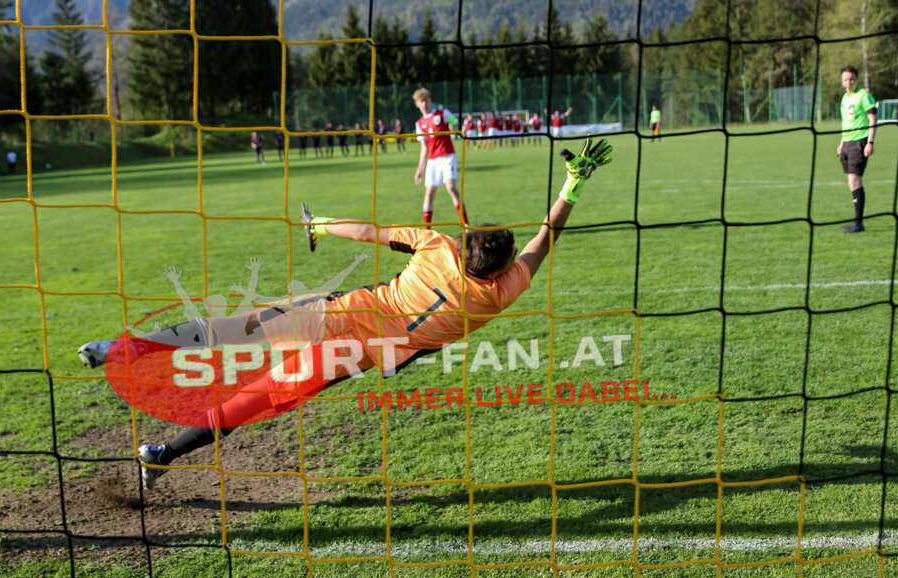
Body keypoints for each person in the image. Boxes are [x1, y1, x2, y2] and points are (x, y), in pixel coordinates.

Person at [76, 138, 614, 491]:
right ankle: (161, 454)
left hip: (338, 314)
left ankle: (122, 349)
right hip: (355, 355)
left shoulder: (435, 245)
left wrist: (322, 224)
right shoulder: (498, 295)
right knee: (252, 401)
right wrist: (573, 187)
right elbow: (543, 243)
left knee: (238, 328)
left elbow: (370, 232)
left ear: (466, 243)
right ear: (498, 270)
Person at [413, 88, 467, 228]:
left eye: (426, 100)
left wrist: (458, 126)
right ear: (417, 104)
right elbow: (424, 148)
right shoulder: (419, 124)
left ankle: (466, 226)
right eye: (421, 101)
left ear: (430, 100)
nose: (424, 104)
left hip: (447, 156)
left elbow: (455, 122)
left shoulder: (443, 113)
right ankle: (427, 230)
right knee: (429, 194)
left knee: (451, 188)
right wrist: (420, 169)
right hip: (433, 160)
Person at [837, 66, 877, 234]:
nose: (848, 82)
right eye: (845, 79)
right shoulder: (845, 98)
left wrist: (870, 142)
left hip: (859, 142)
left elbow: (872, 118)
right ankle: (856, 221)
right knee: (851, 182)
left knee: (855, 180)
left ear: (857, 80)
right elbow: (846, 123)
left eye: (851, 79)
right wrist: (841, 143)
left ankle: (858, 223)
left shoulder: (864, 95)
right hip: (847, 143)